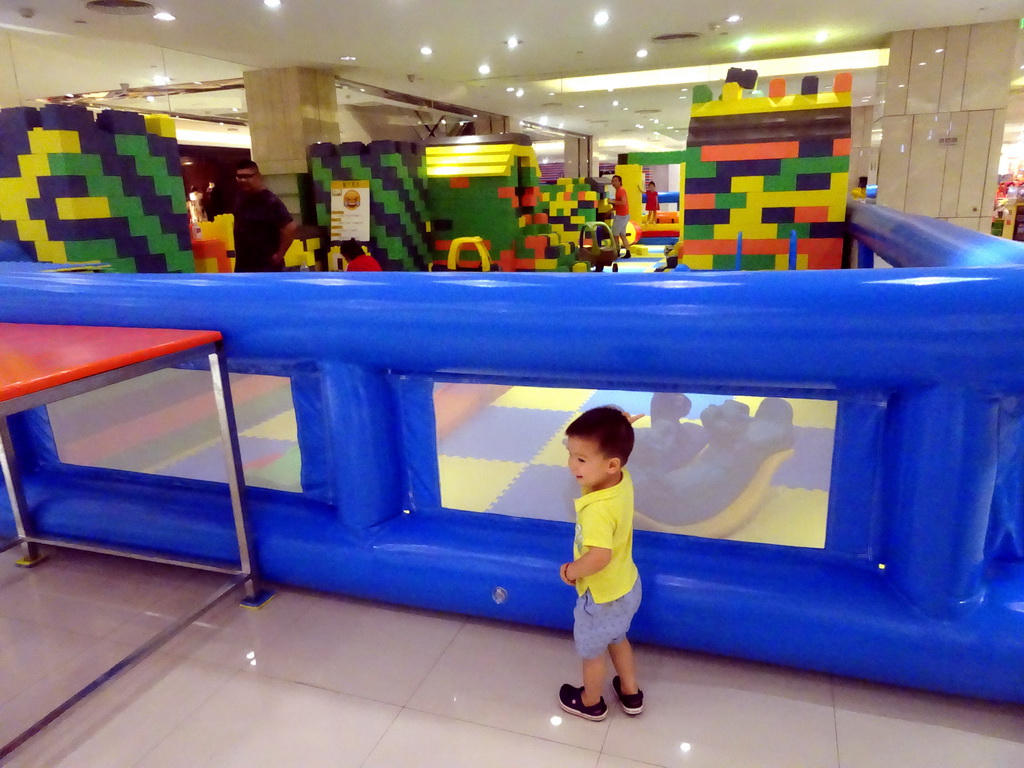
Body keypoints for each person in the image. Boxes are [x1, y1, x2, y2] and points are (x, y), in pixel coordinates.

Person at [558, 406, 644, 721]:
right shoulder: (622, 480)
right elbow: (598, 446)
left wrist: (571, 571)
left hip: (601, 596)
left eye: (581, 460)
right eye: (571, 455)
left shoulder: (597, 509)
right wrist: (620, 423)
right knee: (619, 639)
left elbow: (598, 557)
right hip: (627, 586)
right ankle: (631, 693)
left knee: (593, 654)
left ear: (610, 464)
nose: (571, 465)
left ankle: (591, 701)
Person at [232, 160, 297, 272]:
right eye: (239, 176)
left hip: (265, 265)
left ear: (258, 177)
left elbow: (290, 227)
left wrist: (280, 254)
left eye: (247, 176)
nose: (243, 180)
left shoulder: (270, 201)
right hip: (244, 263)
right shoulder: (241, 198)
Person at [609, 175, 631, 258]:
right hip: (624, 215)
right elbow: (619, 204)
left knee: (615, 235)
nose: (613, 183)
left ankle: (617, 251)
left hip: (621, 216)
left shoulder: (621, 190)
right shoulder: (618, 191)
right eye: (612, 181)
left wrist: (612, 201)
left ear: (620, 182)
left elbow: (623, 203)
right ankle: (628, 252)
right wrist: (610, 210)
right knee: (622, 235)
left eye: (615, 181)